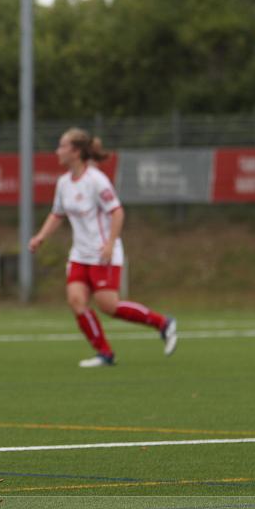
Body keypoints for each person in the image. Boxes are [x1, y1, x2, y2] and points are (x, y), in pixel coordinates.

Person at [28, 128, 177, 367]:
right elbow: (57, 214)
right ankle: (105, 353)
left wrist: (109, 244)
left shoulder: (96, 180)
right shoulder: (64, 183)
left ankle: (163, 323)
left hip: (102, 253)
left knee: (109, 306)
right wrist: (41, 236)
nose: (57, 151)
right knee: (76, 301)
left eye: (62, 146)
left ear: (75, 152)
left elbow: (117, 212)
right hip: (79, 254)